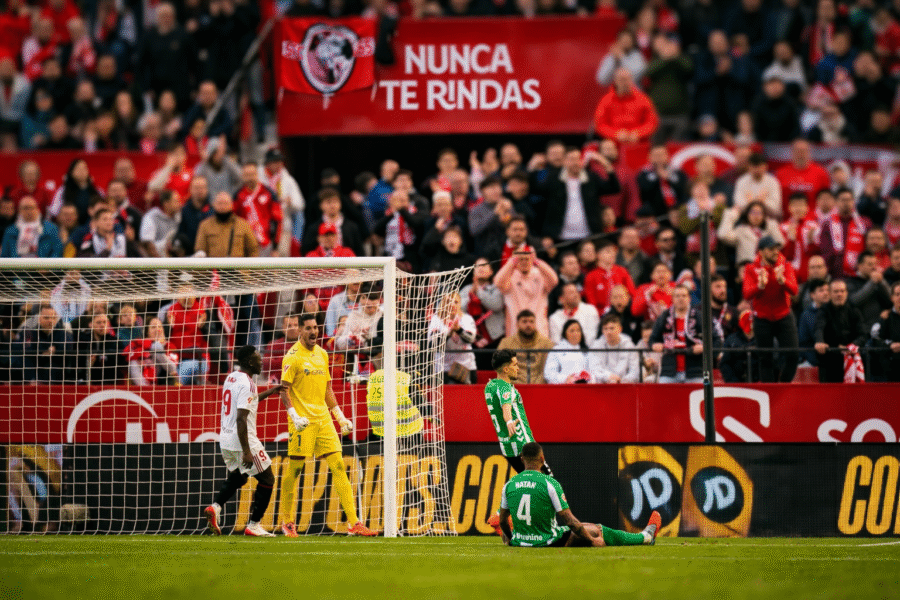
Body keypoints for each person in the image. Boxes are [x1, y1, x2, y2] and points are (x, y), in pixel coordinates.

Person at [278, 314, 377, 537]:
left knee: (339, 466)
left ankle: (354, 523)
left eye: (316, 327)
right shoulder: (292, 357)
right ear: (300, 331)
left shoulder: (323, 354)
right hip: (302, 422)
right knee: (294, 470)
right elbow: (283, 389)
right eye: (309, 328)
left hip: (323, 420)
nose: (314, 332)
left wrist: (339, 417)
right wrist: (293, 416)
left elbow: (327, 389)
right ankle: (288, 521)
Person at [497, 442, 660, 548]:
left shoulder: (509, 484)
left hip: (521, 541)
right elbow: (569, 521)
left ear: (522, 459)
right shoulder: (549, 483)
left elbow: (503, 520)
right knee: (597, 530)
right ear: (542, 458)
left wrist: (512, 539)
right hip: (548, 541)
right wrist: (592, 541)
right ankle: (645, 537)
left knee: (585, 525)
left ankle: (644, 536)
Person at [203, 346, 288, 537]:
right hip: (242, 440)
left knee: (240, 476)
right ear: (250, 362)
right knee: (267, 479)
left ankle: (215, 507)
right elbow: (241, 418)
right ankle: (254, 525)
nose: (261, 361)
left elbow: (249, 401)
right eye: (258, 358)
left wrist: (271, 391)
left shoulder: (231, 377)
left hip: (225, 439)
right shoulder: (248, 384)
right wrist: (247, 451)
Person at [743, 235, 799, 383]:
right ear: (761, 252)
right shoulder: (751, 268)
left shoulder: (785, 266)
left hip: (784, 315)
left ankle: (783, 385)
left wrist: (783, 281)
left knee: (793, 355)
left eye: (776, 248)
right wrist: (759, 286)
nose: (775, 252)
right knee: (765, 358)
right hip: (762, 318)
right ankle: (770, 391)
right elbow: (746, 293)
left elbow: (794, 290)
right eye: (771, 249)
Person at [494, 246, 557, 337]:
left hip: (539, 333)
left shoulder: (540, 275)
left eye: (527, 259)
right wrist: (511, 262)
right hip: (515, 334)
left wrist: (537, 261)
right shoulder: (510, 277)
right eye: (520, 259)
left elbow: (554, 280)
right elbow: (497, 282)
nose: (524, 262)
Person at [814, 279, 866, 383]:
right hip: (830, 362)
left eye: (842, 291)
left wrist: (850, 347)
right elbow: (819, 328)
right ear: (829, 293)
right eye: (836, 291)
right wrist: (819, 341)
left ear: (846, 293)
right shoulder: (824, 310)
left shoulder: (854, 310)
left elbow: (863, 335)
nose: (839, 294)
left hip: (853, 360)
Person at [650, 285, 704, 384]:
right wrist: (655, 345)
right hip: (669, 373)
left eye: (684, 296)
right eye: (677, 296)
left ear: (689, 298)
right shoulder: (664, 316)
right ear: (673, 299)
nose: (681, 299)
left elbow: (715, 340)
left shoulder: (699, 316)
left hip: (695, 372)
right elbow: (652, 340)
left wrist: (704, 347)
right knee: (664, 399)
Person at [460, 258, 506, 369]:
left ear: (491, 271)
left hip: (495, 340)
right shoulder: (466, 289)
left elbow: (497, 304)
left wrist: (479, 292)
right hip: (473, 340)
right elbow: (459, 309)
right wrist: (471, 297)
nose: (480, 268)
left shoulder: (496, 288)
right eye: (477, 266)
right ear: (473, 271)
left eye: (484, 265)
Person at [592, 67, 659, 143]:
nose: (625, 83)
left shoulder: (643, 99)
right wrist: (615, 134)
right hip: (613, 145)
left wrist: (638, 133)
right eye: (621, 79)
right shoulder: (606, 101)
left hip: (638, 143)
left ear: (632, 81)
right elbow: (600, 124)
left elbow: (652, 122)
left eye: (627, 79)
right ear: (615, 81)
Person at [428, 292, 477, 384]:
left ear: (460, 304)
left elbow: (471, 339)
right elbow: (433, 345)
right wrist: (449, 334)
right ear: (443, 304)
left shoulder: (466, 319)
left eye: (455, 302)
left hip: (465, 366)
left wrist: (459, 330)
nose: (452, 305)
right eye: (448, 302)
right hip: (443, 368)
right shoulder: (436, 320)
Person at [497, 310, 555, 384]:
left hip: (539, 388)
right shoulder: (506, 343)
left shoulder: (546, 344)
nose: (528, 325)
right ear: (517, 324)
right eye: (524, 322)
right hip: (514, 388)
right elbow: (502, 369)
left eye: (531, 322)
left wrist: (534, 387)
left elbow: (547, 370)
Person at [583, 240, 636, 313]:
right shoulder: (591, 276)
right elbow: (592, 304)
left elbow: (632, 294)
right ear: (598, 255)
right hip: (602, 315)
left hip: (624, 312)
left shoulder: (622, 271)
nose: (613, 254)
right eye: (608, 251)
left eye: (614, 251)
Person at [590, 313, 639, 384]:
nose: (608, 332)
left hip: (624, 385)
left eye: (612, 328)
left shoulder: (629, 345)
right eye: (605, 329)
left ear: (620, 329)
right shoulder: (596, 345)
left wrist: (623, 381)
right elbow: (594, 369)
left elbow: (635, 370)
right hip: (603, 385)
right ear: (602, 331)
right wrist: (608, 376)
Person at [543, 320, 593, 384]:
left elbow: (594, 370)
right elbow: (548, 374)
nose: (575, 334)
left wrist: (588, 378)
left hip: (585, 388)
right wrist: (566, 378)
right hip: (563, 388)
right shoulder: (557, 350)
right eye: (572, 331)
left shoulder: (586, 351)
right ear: (565, 334)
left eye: (578, 330)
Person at [872, 281, 900, 382]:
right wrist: (890, 345)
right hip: (889, 372)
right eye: (897, 294)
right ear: (892, 298)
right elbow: (875, 338)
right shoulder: (885, 318)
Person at [798, 278, 830, 368]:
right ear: (812, 295)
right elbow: (804, 342)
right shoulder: (806, 315)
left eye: (827, 290)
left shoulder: (834, 310)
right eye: (821, 290)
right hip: (813, 361)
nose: (826, 293)